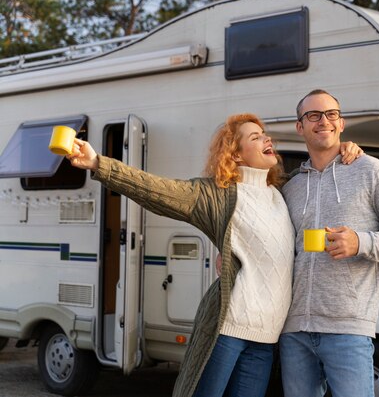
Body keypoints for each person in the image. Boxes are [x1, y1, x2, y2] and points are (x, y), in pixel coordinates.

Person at [66, 113, 362, 397]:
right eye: (256, 137)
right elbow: (156, 190)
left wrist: (342, 150)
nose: (267, 139)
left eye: (265, 135)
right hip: (227, 330)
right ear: (235, 154)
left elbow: (318, 172)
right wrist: (97, 163)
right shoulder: (217, 195)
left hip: (266, 339)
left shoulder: (283, 191)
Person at [279, 90, 379, 397]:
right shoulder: (291, 187)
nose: (323, 121)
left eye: (331, 114)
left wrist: (361, 242)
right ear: (299, 127)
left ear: (341, 123)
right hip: (294, 330)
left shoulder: (371, 171)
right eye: (313, 115)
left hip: (348, 327)